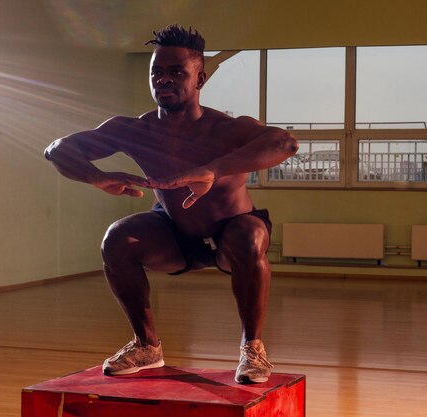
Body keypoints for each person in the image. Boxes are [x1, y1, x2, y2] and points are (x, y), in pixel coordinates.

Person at [44, 25, 298, 384]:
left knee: (250, 236)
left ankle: (252, 348)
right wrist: (94, 176)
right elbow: (57, 150)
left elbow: (285, 143)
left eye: (176, 72)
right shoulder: (137, 130)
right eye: (156, 72)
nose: (164, 79)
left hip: (231, 233)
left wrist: (213, 168)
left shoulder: (225, 128)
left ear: (200, 79)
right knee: (118, 238)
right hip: (175, 234)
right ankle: (147, 346)